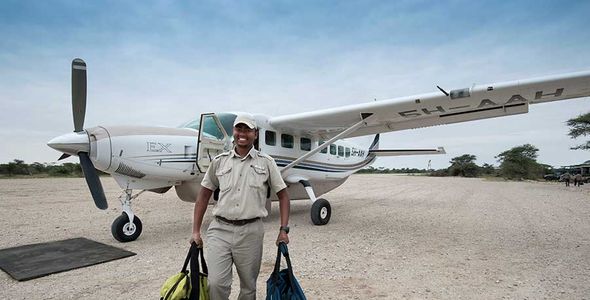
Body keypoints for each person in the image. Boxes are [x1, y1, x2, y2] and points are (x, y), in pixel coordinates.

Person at [191, 113, 291, 300]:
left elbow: (284, 196)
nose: (242, 133)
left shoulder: (266, 163)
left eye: (247, 129)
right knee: (216, 284)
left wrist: (283, 230)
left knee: (248, 288)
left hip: (251, 232)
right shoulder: (219, 161)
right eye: (239, 129)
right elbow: (203, 196)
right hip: (219, 229)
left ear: (255, 133)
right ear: (233, 132)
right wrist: (196, 231)